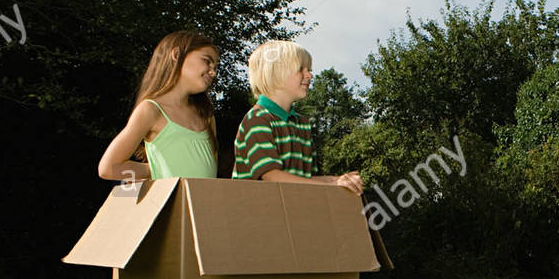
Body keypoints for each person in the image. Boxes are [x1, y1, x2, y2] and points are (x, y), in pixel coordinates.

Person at [233, 40, 363, 194]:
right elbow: (271, 176)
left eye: (309, 69)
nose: (309, 75)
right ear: (275, 72)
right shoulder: (257, 119)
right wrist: (331, 184)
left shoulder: (302, 124)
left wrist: (338, 180)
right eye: (300, 69)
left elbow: (307, 178)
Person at [98, 31, 220, 181]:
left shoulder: (206, 116)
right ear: (176, 55)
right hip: (173, 204)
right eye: (207, 61)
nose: (213, 72)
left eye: (215, 67)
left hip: (204, 204)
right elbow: (108, 168)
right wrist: (155, 169)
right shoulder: (150, 110)